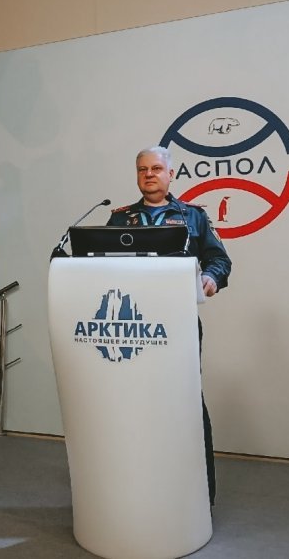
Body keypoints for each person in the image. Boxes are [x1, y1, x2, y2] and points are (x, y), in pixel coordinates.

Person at [107, 145, 232, 506]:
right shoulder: (120, 220)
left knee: (185, 403)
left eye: (156, 168)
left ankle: (199, 495)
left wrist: (211, 277)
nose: (149, 174)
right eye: (143, 169)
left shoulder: (192, 217)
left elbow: (219, 260)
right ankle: (138, 488)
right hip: (131, 328)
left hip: (178, 323)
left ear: (171, 174)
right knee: (134, 403)